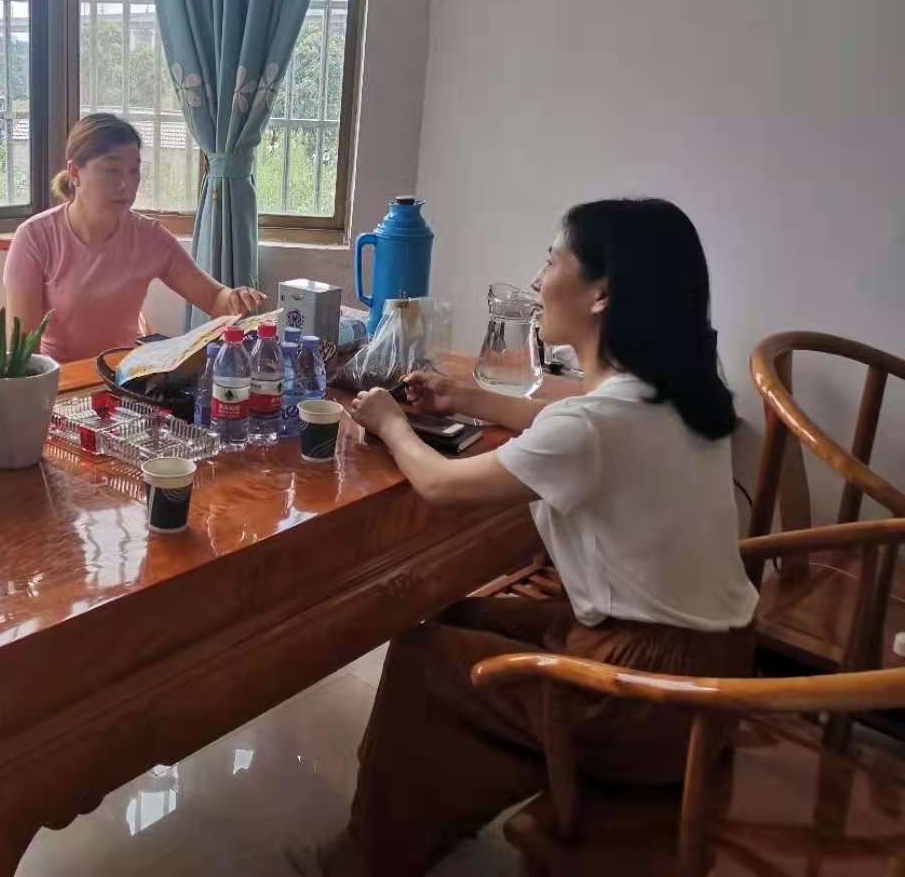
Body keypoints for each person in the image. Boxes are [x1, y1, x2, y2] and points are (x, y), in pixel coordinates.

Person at [314, 198, 759, 875]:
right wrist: (464, 397)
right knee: (458, 618)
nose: (537, 278)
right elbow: (573, 417)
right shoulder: (677, 392)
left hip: (649, 702)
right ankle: (429, 821)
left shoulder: (593, 427)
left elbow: (439, 484)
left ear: (601, 293)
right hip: (716, 670)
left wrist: (389, 423)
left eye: (552, 261)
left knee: (423, 656)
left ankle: (367, 858)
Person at [4, 113, 267, 363]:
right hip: (60, 381)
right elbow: (23, 353)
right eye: (112, 170)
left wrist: (236, 298)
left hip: (123, 376)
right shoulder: (35, 237)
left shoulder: (149, 237)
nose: (126, 184)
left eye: (134, 171)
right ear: (74, 173)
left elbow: (213, 298)